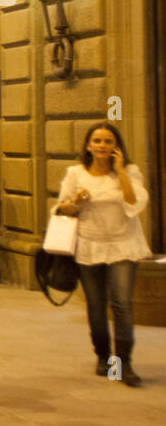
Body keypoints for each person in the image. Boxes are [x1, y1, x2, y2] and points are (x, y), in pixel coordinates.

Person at [56, 121, 151, 387]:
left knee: (121, 303)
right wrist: (77, 202)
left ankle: (125, 364)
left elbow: (134, 203)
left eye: (108, 141)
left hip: (124, 244)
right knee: (96, 306)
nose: (102, 146)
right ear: (88, 145)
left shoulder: (130, 171)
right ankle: (103, 357)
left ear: (116, 147)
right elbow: (63, 208)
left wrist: (120, 171)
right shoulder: (76, 173)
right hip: (89, 245)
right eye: (97, 141)